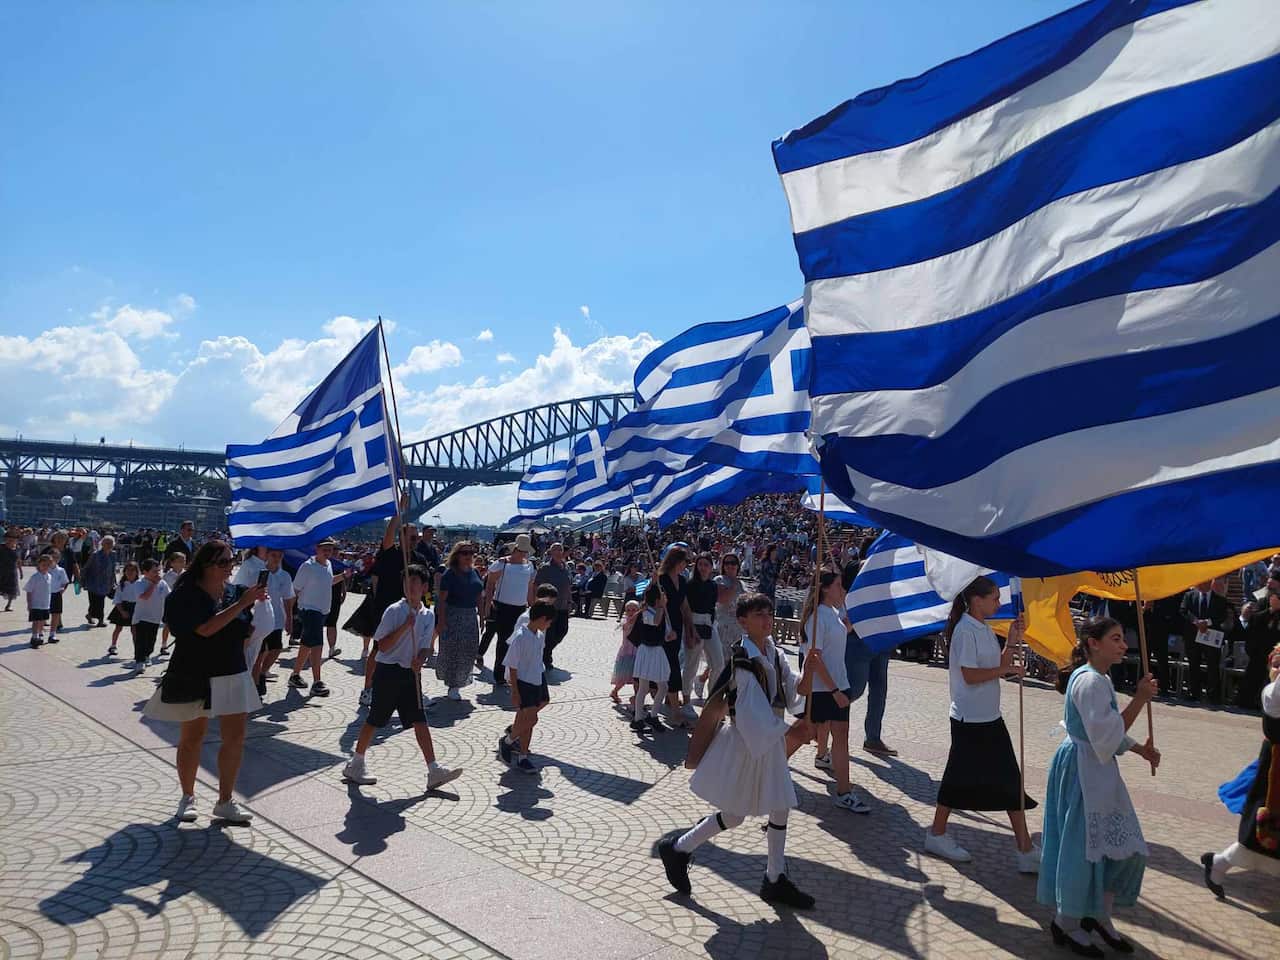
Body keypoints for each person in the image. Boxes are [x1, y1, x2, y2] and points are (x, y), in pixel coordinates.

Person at [657, 592, 816, 909]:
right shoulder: (743, 659)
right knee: (736, 814)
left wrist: (808, 673)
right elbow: (749, 711)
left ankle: (773, 877)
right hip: (748, 741)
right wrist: (790, 729)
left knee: (778, 804)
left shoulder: (772, 651)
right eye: (758, 614)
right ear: (742, 620)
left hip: (763, 739)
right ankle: (679, 848)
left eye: (768, 613)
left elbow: (791, 688)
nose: (766, 619)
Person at [1039, 617, 1160, 956]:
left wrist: (1140, 750)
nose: (1123, 645)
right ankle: (1066, 923)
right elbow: (1105, 735)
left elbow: (1107, 733)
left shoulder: (1100, 678)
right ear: (1094, 643)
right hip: (1082, 771)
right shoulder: (1090, 682)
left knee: (1124, 847)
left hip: (1098, 769)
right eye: (1116, 639)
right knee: (1082, 849)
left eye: (1123, 639)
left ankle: (1099, 914)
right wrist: (1139, 698)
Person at [142, 540, 264, 825]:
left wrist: (246, 613)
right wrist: (242, 604)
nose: (229, 567)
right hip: (194, 672)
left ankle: (225, 801)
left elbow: (245, 630)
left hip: (231, 671)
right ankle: (188, 797)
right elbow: (205, 629)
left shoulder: (235, 592)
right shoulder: (185, 594)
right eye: (222, 562)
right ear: (205, 564)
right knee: (191, 739)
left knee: (235, 738)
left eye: (231, 561)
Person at [925, 576, 1039, 870]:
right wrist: (1005, 668)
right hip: (969, 718)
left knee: (1008, 780)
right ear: (977, 600)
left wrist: (1012, 642)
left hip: (988, 716)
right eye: (994, 598)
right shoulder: (965, 631)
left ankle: (1024, 848)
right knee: (957, 780)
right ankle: (937, 833)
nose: (998, 603)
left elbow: (993, 666)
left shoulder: (983, 628)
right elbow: (970, 675)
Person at [341, 564, 462, 792]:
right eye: (407, 582)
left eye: (416, 582)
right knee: (375, 719)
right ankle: (356, 762)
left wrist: (421, 659)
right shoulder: (394, 611)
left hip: (410, 673)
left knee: (419, 720)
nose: (411, 586)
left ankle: (433, 769)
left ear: (425, 587)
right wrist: (405, 627)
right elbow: (382, 646)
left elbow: (426, 646)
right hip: (387, 672)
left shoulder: (427, 614)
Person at [1203, 641, 1280, 900]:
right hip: (1275, 771)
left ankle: (1218, 863)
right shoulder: (1273, 693)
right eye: (1277, 664)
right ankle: (1218, 863)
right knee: (1261, 836)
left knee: (1263, 843)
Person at [802, 571, 871, 813]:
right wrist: (833, 690)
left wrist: (852, 620)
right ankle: (768, 772)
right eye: (839, 586)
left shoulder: (832, 613)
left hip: (838, 684)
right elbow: (815, 658)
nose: (842, 590)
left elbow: (841, 632)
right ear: (824, 589)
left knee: (840, 736)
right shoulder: (816, 618)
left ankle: (844, 791)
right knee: (802, 733)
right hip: (824, 688)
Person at [500, 599, 558, 774]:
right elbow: (513, 665)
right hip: (524, 683)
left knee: (527, 722)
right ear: (541, 618)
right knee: (532, 719)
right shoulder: (520, 636)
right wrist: (515, 691)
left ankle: (523, 756)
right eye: (548, 621)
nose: (549, 625)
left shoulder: (539, 636)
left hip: (537, 680)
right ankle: (508, 741)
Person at [288, 539, 350, 697]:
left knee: (307, 644)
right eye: (325, 549)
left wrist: (342, 576)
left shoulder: (328, 565)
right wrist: (289, 614)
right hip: (309, 610)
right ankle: (317, 682)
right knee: (317, 645)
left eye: (330, 549)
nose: (328, 552)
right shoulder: (307, 566)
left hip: (322, 612)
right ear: (317, 549)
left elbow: (328, 582)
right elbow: (295, 590)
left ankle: (295, 675)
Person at [479, 535, 537, 688]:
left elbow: (530, 588)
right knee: (503, 641)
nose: (523, 554)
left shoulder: (529, 565)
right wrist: (487, 605)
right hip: (502, 606)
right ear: (515, 549)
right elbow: (490, 584)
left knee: (517, 642)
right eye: (521, 550)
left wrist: (532, 606)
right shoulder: (502, 563)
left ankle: (511, 673)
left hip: (520, 608)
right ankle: (499, 675)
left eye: (525, 551)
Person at [434, 541, 484, 701]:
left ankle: (460, 680)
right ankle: (453, 684)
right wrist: (441, 621)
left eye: (471, 553)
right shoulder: (450, 573)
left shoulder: (475, 572)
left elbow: (479, 596)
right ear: (457, 555)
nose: (468, 556)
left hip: (470, 616)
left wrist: (482, 617)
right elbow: (442, 600)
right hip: (453, 615)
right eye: (464, 553)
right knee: (453, 650)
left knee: (469, 649)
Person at [657, 547, 695, 725]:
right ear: (676, 561)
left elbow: (685, 606)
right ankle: (675, 710)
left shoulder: (681, 580)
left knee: (672, 663)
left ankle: (667, 699)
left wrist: (690, 628)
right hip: (663, 627)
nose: (685, 565)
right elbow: (653, 603)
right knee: (671, 665)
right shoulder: (661, 580)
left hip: (677, 626)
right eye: (684, 562)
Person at [631, 582, 675, 734]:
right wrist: (662, 607)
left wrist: (671, 636)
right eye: (663, 597)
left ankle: (651, 716)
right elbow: (655, 622)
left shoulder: (661, 612)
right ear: (657, 599)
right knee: (645, 687)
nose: (666, 598)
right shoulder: (648, 612)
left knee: (662, 686)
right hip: (648, 652)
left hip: (657, 651)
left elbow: (665, 635)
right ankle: (639, 718)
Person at [681, 554, 720, 720]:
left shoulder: (713, 585)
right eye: (700, 564)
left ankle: (711, 700)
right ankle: (687, 700)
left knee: (719, 663)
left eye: (706, 564)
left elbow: (712, 606)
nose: (703, 568)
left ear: (711, 567)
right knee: (691, 664)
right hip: (693, 622)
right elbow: (686, 608)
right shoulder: (690, 585)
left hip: (709, 624)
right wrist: (690, 630)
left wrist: (711, 623)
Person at [251, 548, 295, 698]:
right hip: (261, 619)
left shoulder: (285, 576)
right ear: (268, 556)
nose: (276, 558)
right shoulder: (261, 573)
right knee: (260, 652)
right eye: (273, 555)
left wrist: (289, 619)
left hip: (277, 619)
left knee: (276, 649)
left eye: (279, 556)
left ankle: (263, 672)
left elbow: (288, 599)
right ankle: (255, 686)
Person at [1180, 579, 1230, 704]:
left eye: (1203, 583)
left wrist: (1208, 622)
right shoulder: (1189, 596)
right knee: (1193, 665)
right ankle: (1194, 692)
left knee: (1213, 666)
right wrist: (1196, 621)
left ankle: (1213, 695)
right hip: (1192, 637)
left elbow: (1222, 616)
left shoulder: (1220, 600)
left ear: (1209, 584)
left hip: (1211, 637)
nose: (1200, 585)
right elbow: (1183, 610)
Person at [534, 543, 574, 670]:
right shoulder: (545, 568)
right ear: (550, 552)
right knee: (550, 634)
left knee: (562, 631)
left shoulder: (566, 567)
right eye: (555, 549)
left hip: (563, 605)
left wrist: (569, 601)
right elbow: (536, 585)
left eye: (560, 549)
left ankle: (545, 652)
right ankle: (546, 657)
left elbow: (568, 586)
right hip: (549, 606)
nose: (558, 552)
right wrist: (537, 602)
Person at [132, 558, 170, 670]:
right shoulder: (139, 583)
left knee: (151, 641)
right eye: (154, 571)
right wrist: (153, 584)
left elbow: (169, 596)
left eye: (158, 571)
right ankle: (139, 661)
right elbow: (144, 597)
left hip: (156, 617)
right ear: (145, 572)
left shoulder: (162, 583)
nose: (157, 574)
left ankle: (147, 655)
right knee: (141, 640)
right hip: (141, 618)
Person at [80, 535, 118, 628]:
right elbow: (86, 567)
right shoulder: (95, 555)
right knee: (96, 602)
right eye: (107, 543)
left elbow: (113, 569)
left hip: (106, 583)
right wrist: (81, 580)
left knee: (99, 602)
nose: (109, 545)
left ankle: (91, 615)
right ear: (102, 544)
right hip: (93, 582)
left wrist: (115, 582)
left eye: (111, 543)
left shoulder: (113, 555)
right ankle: (100, 620)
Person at [107, 560, 142, 659]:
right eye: (128, 570)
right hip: (123, 607)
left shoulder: (140, 584)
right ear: (124, 572)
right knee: (118, 628)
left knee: (134, 630)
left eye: (133, 570)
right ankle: (113, 645)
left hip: (136, 608)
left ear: (137, 572)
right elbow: (117, 599)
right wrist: (122, 611)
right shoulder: (121, 585)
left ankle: (137, 650)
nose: (130, 573)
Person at [610, 600, 641, 705]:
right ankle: (615, 691)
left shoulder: (640, 621)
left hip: (637, 652)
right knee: (623, 677)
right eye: (628, 610)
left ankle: (637, 698)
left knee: (637, 678)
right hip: (627, 653)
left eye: (634, 610)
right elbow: (630, 623)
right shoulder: (626, 622)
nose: (631, 612)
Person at [158, 551, 187, 656]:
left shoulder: (187, 574)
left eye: (183, 561)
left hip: (184, 604)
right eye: (179, 561)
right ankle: (164, 645)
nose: (182, 563)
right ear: (172, 563)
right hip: (171, 603)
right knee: (168, 625)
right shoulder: (167, 576)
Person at [24, 554, 53, 647]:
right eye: (44, 565)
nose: (46, 567)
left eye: (48, 565)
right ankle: (34, 637)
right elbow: (29, 590)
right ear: (39, 565)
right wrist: (29, 603)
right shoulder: (35, 577)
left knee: (42, 621)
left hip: (45, 604)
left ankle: (40, 635)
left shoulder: (49, 576)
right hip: (36, 603)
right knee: (36, 621)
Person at [0, 529, 21, 613]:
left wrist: (21, 571)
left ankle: (8, 605)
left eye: (13, 539)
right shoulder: (1, 547)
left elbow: (18, 560)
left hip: (12, 571)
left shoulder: (17, 548)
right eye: (9, 538)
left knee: (12, 590)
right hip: (1, 570)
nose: (11, 540)